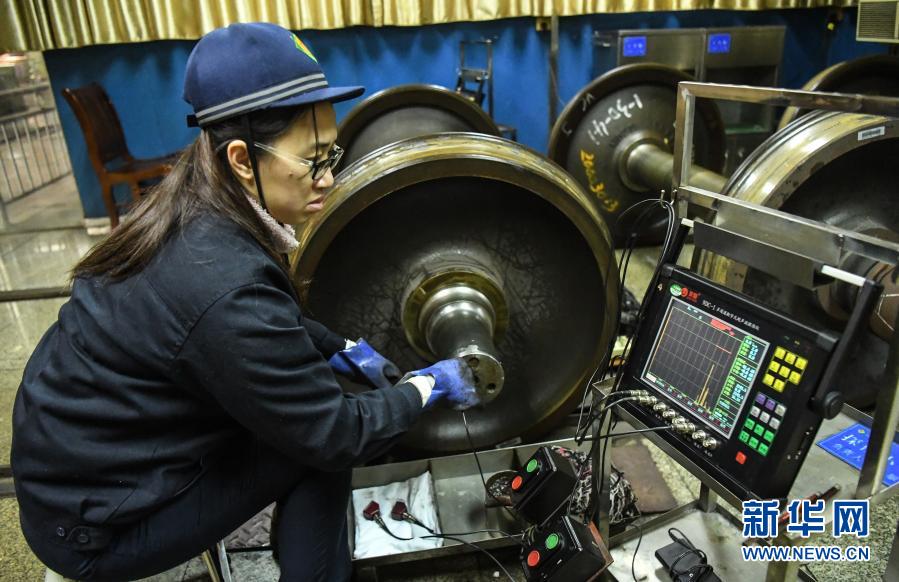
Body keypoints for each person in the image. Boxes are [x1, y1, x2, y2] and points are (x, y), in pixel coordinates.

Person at [11, 22, 479, 582]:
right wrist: (425, 388)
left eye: (332, 154)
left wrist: (340, 347)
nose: (329, 178)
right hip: (95, 528)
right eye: (314, 160)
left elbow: (263, 324)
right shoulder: (223, 284)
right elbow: (335, 434)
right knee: (317, 445)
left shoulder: (191, 203)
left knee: (306, 411)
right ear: (239, 158)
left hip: (84, 473)